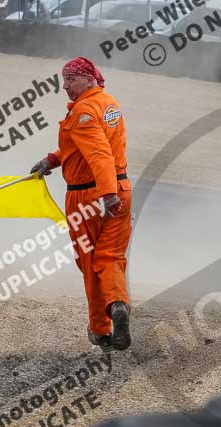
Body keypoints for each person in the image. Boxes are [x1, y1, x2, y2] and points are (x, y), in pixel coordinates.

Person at [31, 56, 132, 352]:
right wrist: (53, 159)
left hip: (90, 197)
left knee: (89, 263)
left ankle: (100, 331)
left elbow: (99, 153)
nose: (65, 86)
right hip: (121, 190)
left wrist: (105, 193)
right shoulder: (107, 103)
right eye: (64, 80)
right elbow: (80, 147)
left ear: (89, 79)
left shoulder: (84, 111)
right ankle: (118, 305)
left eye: (71, 79)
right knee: (111, 257)